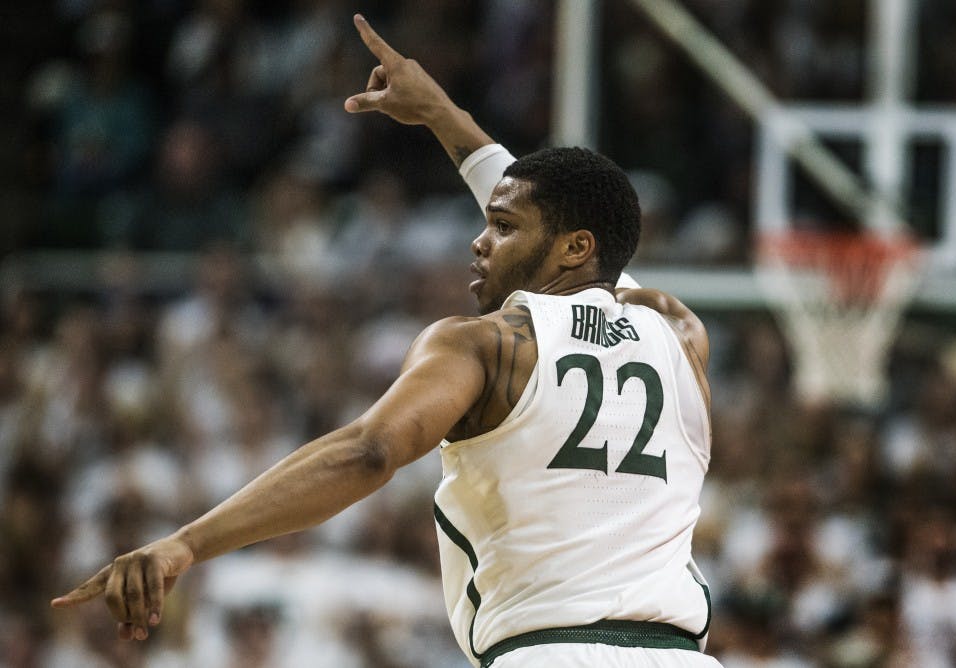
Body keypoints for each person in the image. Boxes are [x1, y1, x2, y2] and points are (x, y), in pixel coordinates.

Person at [52, 14, 720, 668]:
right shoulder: (680, 333)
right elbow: (599, 261)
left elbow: (369, 451)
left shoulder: (485, 345)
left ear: (573, 247)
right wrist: (440, 114)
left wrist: (186, 544)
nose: (479, 241)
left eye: (504, 229)